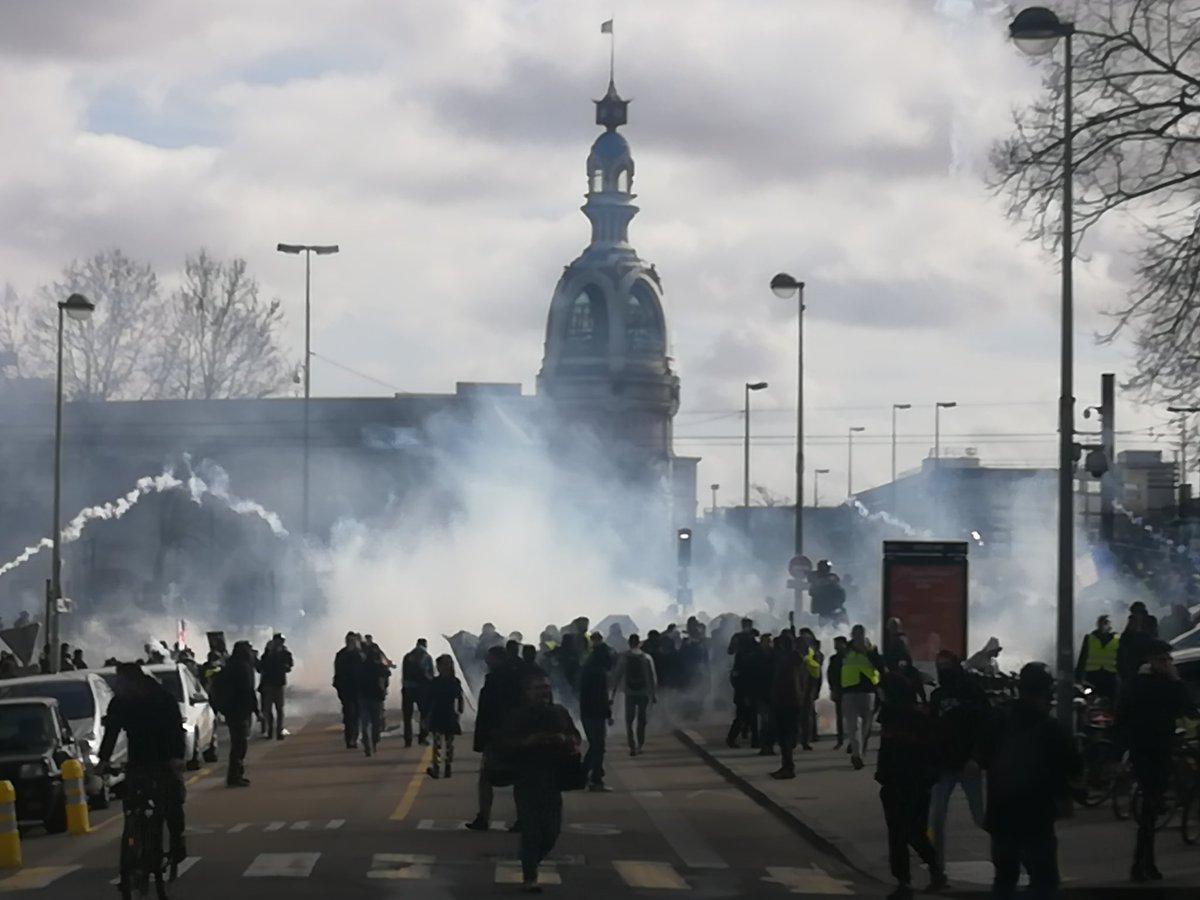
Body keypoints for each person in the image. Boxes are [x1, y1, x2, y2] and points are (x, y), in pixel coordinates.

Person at [976, 662, 1080, 899]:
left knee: (1004, 879)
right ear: (1046, 693)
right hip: (1038, 817)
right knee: (1044, 880)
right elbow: (1073, 765)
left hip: (1001, 813)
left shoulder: (998, 720)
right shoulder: (1051, 728)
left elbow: (982, 757)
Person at [492, 671, 581, 892]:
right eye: (538, 688)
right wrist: (528, 742)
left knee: (551, 832)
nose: (543, 692)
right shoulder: (517, 716)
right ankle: (529, 875)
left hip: (553, 779)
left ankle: (531, 861)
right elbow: (503, 744)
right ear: (527, 693)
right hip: (527, 780)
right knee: (531, 830)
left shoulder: (559, 713)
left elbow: (576, 737)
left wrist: (565, 740)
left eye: (546, 688)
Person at [1116, 640, 1195, 882]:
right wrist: (1177, 680)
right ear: (1151, 661)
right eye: (1164, 660)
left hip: (1143, 751)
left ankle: (1144, 863)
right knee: (1151, 807)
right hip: (1155, 751)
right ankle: (1141, 864)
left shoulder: (1135, 684)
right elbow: (1189, 708)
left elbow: (1121, 716)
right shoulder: (1164, 686)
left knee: (1150, 809)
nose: (1168, 663)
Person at [98, 662, 188, 862]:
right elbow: (111, 732)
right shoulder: (120, 702)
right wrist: (103, 760)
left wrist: (176, 758)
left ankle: (177, 840)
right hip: (138, 757)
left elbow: (176, 729)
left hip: (165, 755)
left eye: (122, 682)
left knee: (172, 799)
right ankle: (135, 838)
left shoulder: (162, 698)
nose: (119, 686)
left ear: (135, 680)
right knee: (132, 801)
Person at [875, 672, 945, 899]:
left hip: (914, 782)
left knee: (913, 832)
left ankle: (934, 870)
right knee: (897, 834)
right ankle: (904, 881)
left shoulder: (916, 718)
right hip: (895, 782)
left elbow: (930, 751)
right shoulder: (890, 715)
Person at [927, 650, 988, 871]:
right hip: (944, 766)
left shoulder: (971, 692)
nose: (943, 670)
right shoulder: (938, 696)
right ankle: (937, 869)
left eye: (946, 665)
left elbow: (985, 726)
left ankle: (1013, 858)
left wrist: (977, 757)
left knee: (981, 818)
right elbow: (931, 730)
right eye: (939, 665)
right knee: (936, 818)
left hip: (968, 764)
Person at [466, 645, 519, 831]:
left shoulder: (495, 681)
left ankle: (484, 817)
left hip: (497, 735)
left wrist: (481, 738)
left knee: (486, 778)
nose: (487, 662)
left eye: (490, 658)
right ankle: (521, 818)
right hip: (512, 734)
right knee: (518, 778)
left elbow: (487, 712)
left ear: (498, 659)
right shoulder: (515, 678)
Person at [210, 641, 259, 787]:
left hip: (231, 710)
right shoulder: (244, 668)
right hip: (240, 711)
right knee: (240, 745)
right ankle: (235, 775)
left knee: (237, 744)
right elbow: (249, 691)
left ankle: (236, 774)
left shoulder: (229, 666)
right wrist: (257, 711)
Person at [841, 624, 882, 770]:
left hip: (868, 691)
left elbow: (879, 666)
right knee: (854, 726)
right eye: (855, 633)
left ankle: (860, 752)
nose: (857, 636)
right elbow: (836, 668)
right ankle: (856, 755)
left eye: (860, 633)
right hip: (850, 692)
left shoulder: (871, 649)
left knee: (866, 726)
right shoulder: (846, 650)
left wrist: (869, 652)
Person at [610, 634, 658, 757]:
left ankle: (631, 745)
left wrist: (613, 694)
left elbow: (617, 676)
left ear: (629, 643)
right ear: (639, 643)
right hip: (643, 693)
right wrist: (653, 694)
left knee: (629, 720)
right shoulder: (647, 658)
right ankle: (640, 745)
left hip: (629, 693)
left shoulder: (624, 658)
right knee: (642, 720)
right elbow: (652, 677)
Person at [768, 632, 806, 780]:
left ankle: (788, 767)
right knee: (786, 736)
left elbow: (789, 682)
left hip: (786, 702)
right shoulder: (795, 659)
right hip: (791, 701)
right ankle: (787, 766)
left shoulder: (788, 661)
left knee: (785, 737)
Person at [579, 633, 614, 791]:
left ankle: (586, 775)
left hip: (588, 711)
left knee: (595, 746)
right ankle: (594, 779)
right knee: (598, 746)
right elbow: (602, 696)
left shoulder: (588, 668)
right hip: (595, 713)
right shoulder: (598, 673)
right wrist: (608, 714)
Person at [425, 654, 464, 778]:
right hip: (448, 714)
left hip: (440, 714)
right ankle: (447, 767)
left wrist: (426, 715)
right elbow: (460, 698)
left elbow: (429, 699)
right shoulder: (454, 681)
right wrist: (459, 711)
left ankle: (438, 768)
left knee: (439, 743)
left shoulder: (436, 681)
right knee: (448, 743)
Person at [726, 619, 760, 748]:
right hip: (742, 681)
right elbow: (730, 651)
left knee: (752, 713)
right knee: (742, 713)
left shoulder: (753, 645)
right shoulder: (740, 646)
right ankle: (732, 737)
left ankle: (754, 739)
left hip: (752, 681)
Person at [256, 634, 293, 740]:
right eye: (278, 641)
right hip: (268, 684)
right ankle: (270, 731)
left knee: (279, 709)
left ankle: (279, 730)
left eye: (281, 641)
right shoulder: (267, 653)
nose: (279, 643)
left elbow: (289, 666)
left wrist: (285, 666)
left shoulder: (285, 653)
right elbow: (260, 667)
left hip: (278, 684)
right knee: (268, 710)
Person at [1074, 614, 1119, 701]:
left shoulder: (1117, 638)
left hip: (1110, 677)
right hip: (1092, 677)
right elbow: (1083, 657)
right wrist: (1078, 678)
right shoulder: (1090, 638)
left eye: (1106, 623)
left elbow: (1121, 658)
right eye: (1102, 622)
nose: (1104, 625)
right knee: (1090, 700)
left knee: (1110, 702)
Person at [357, 643, 391, 757]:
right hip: (376, 698)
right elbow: (387, 675)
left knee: (365, 724)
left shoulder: (361, 665)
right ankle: (374, 743)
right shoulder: (379, 665)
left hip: (364, 697)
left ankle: (368, 744)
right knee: (376, 722)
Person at [401, 638, 435, 747]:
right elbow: (431, 674)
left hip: (408, 689)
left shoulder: (407, 656)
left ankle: (408, 740)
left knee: (407, 716)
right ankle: (422, 737)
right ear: (425, 645)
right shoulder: (427, 657)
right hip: (422, 690)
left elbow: (404, 674)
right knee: (424, 714)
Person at [332, 632, 363, 749]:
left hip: (358, 689)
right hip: (347, 690)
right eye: (349, 640)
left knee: (357, 715)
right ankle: (350, 739)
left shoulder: (359, 654)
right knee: (349, 715)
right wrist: (339, 688)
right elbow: (337, 673)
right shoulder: (341, 655)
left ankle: (353, 737)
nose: (350, 642)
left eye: (352, 640)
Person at [827, 636, 848, 749]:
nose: (836, 646)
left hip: (848, 689)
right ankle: (840, 739)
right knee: (840, 716)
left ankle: (850, 740)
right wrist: (832, 687)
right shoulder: (834, 659)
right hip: (839, 689)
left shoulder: (849, 657)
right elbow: (830, 674)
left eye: (838, 644)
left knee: (850, 716)